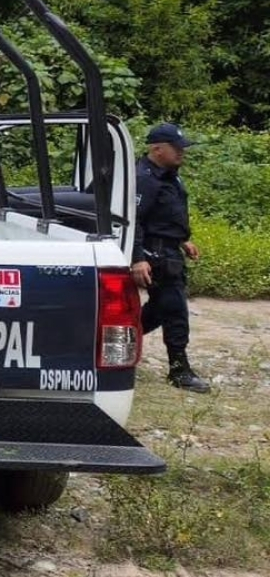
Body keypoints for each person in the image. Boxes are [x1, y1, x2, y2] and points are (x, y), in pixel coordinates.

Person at [133, 123, 209, 393]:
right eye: (176, 148)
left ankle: (113, 345)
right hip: (155, 254)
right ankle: (179, 370)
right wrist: (137, 258)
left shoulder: (170, 174)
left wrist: (182, 239)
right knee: (175, 309)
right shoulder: (144, 178)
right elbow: (134, 221)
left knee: (160, 309)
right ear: (157, 149)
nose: (181, 153)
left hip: (169, 249)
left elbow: (164, 214)